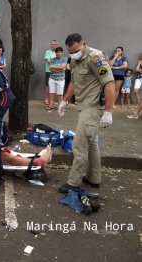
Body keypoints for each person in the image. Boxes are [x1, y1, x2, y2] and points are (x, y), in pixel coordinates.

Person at [57, 33, 115, 194]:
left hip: (92, 107)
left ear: (83, 44)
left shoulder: (95, 58)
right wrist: (65, 101)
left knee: (79, 146)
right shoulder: (75, 60)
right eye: (70, 52)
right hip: (83, 105)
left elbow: (109, 83)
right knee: (92, 144)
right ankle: (93, 178)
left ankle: (73, 183)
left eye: (75, 50)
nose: (73, 54)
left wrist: (108, 111)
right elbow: (73, 82)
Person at [44, 40, 58, 105]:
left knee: (54, 86)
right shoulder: (48, 52)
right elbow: (48, 61)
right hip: (49, 71)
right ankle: (46, 99)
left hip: (56, 71)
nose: (52, 45)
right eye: (51, 44)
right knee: (48, 85)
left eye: (53, 44)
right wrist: (58, 64)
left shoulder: (57, 52)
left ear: (56, 45)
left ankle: (52, 100)